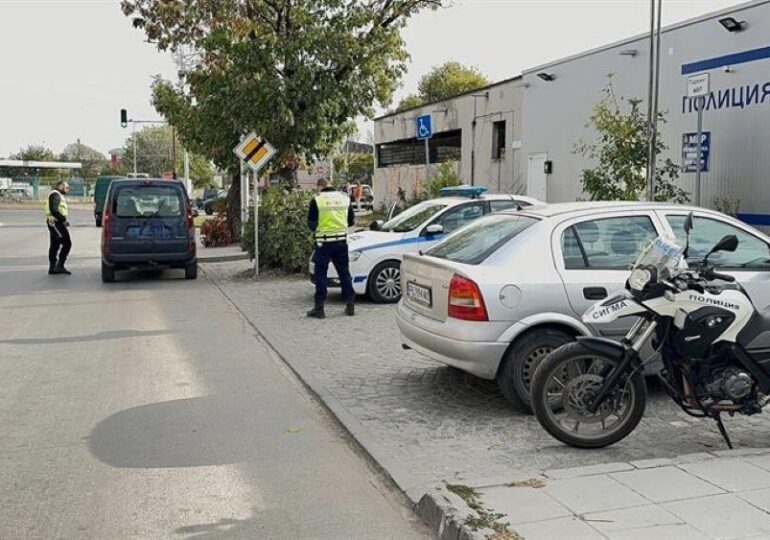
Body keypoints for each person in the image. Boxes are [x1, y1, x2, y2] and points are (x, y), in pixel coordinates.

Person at [307, 178, 355, 319]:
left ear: (320, 186)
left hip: (323, 243)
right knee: (344, 274)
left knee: (320, 275)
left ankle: (319, 308)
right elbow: (351, 221)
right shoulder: (344, 199)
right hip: (341, 242)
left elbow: (311, 225)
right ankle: (350, 305)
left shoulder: (317, 200)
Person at [45, 180, 72, 275]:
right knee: (67, 243)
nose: (68, 190)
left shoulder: (57, 195)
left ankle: (53, 267)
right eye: (66, 187)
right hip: (56, 223)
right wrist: (63, 219)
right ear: (61, 186)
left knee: (55, 244)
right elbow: (54, 210)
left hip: (56, 223)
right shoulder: (55, 195)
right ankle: (59, 265)